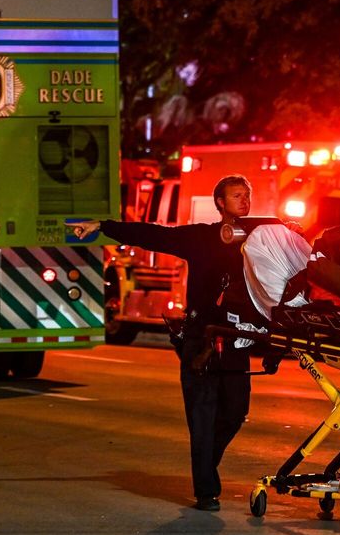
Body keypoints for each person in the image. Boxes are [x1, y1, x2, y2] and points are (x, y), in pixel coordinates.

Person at [69, 174, 260, 512]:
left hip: (236, 341)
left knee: (235, 412)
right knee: (202, 417)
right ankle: (206, 490)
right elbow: (153, 235)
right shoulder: (201, 237)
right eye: (236, 195)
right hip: (201, 340)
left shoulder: (261, 237)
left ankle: (206, 464)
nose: (244, 201)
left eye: (247, 195)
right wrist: (103, 226)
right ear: (220, 203)